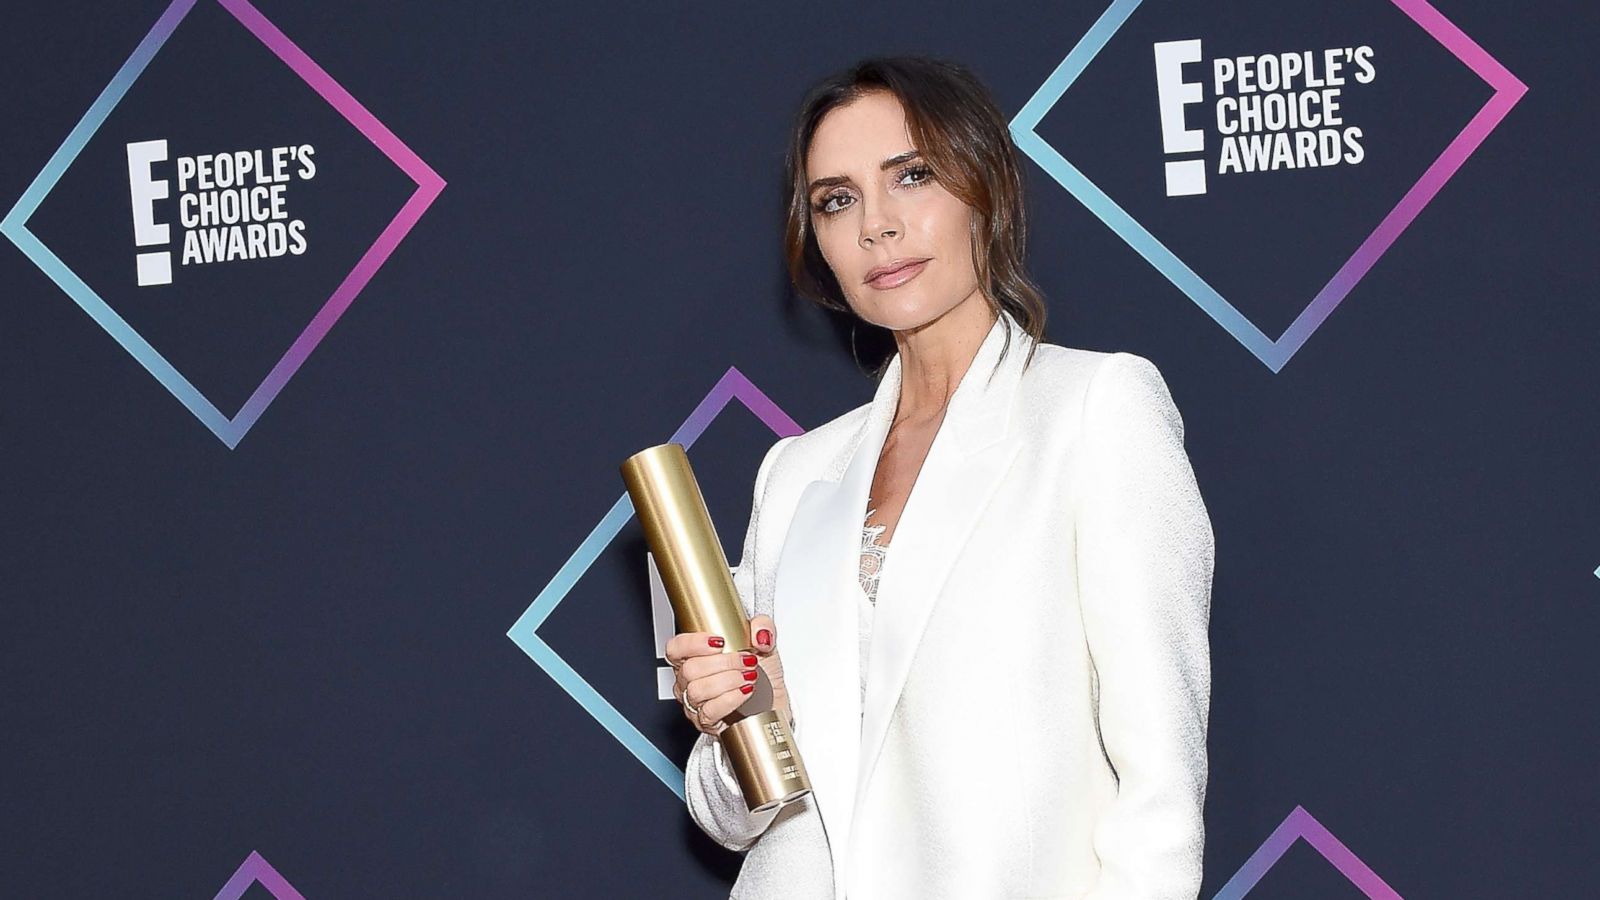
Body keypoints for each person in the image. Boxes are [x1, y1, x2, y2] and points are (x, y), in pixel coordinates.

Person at [663, 56, 1215, 900]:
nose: (875, 226)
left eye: (911, 178)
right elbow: (730, 814)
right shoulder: (796, 474)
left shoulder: (1096, 408)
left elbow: (1161, 785)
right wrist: (747, 718)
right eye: (837, 200)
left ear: (984, 188)